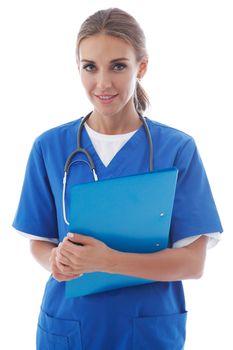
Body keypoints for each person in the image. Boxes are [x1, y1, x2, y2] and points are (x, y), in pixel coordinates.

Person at [13, 7, 223, 350]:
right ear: (78, 68)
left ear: (141, 67)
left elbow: (193, 263)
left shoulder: (177, 150)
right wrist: (53, 260)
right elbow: (39, 240)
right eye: (90, 67)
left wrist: (105, 260)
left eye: (118, 66)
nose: (103, 83)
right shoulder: (49, 147)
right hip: (69, 325)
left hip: (147, 328)